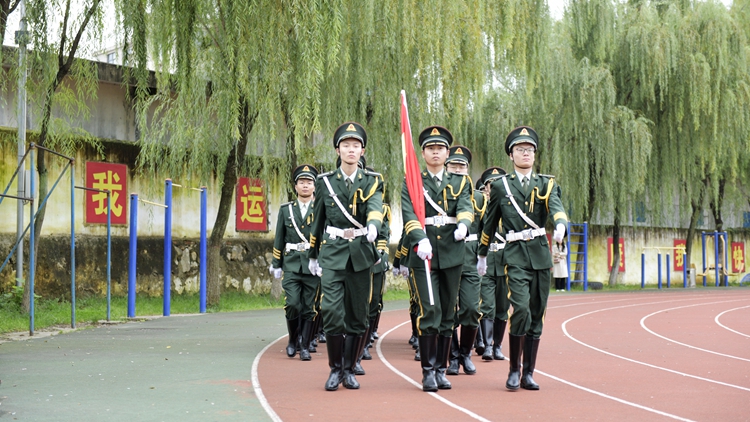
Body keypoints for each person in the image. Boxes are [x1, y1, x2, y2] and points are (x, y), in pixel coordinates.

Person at [477, 126, 567, 391]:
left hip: (539, 255)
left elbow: (556, 208)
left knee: (537, 314)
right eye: (520, 149)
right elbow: (489, 223)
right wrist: (482, 255)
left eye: (529, 149)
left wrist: (561, 225)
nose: (525, 153)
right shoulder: (500, 186)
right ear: (511, 154)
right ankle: (514, 370)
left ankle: (528, 373)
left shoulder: (547, 184)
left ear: (535, 154)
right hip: (514, 255)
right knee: (521, 310)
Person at [308, 121, 383, 391]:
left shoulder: (373, 180)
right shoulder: (325, 182)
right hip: (333, 252)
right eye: (346, 145)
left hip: (361, 252)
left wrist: (373, 225)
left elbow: (375, 206)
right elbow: (318, 220)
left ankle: (349, 369)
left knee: (358, 315)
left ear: (362, 151)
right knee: (330, 310)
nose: (351, 150)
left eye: (356, 145)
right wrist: (313, 255)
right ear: (337, 150)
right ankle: (335, 368)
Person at [401, 125, 473, 392]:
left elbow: (465, 206)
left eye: (440, 148)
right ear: (422, 153)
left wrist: (464, 224)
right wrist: (419, 238)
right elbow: (409, 212)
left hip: (453, 253)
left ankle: (442, 369)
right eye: (430, 148)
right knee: (430, 310)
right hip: (424, 254)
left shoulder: (461, 181)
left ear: (447, 153)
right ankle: (428, 371)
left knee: (447, 312)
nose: (435, 152)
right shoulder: (412, 181)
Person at [270, 164, 320, 361]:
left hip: (312, 264)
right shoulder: (286, 210)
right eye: (302, 182)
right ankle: (292, 340)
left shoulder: (320, 209)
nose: (305, 186)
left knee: (309, 306)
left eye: (309, 182)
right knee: (292, 304)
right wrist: (276, 263)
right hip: (291, 264)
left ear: (314, 186)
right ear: (296, 186)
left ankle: (305, 345)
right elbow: (279, 238)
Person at [443, 145, 482, 377]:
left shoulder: (480, 198)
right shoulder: (439, 192)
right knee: (447, 309)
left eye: (461, 166)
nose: (457, 170)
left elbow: (487, 228)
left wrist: (484, 256)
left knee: (470, 308)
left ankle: (466, 352)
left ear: (468, 169)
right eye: (453, 166)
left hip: (470, 258)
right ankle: (453, 356)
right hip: (446, 254)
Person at [476, 167, 510, 362]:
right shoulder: (481, 207)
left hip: (505, 261)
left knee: (503, 306)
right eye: (491, 184)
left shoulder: (510, 207)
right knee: (487, 305)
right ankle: (488, 346)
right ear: (487, 188)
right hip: (486, 260)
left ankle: (498, 346)